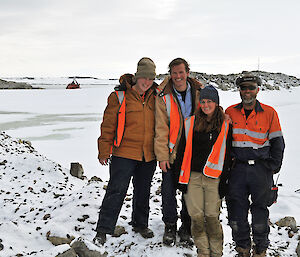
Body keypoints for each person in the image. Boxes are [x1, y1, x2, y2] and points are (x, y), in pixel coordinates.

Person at [94, 57, 158, 245]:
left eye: (151, 78)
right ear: (137, 77)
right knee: (116, 190)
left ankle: (140, 224)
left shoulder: (157, 96)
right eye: (144, 78)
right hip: (123, 153)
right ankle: (103, 229)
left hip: (148, 154)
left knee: (143, 190)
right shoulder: (119, 96)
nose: (147, 82)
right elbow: (108, 125)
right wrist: (104, 150)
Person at [225, 73, 285, 257]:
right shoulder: (230, 112)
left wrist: (273, 166)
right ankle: (242, 248)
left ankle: (260, 249)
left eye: (251, 88)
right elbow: (224, 143)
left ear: (258, 90)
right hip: (237, 170)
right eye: (244, 88)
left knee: (260, 212)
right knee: (236, 211)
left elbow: (278, 143)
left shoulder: (269, 112)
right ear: (239, 91)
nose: (247, 92)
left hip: (261, 170)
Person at [154, 57, 203, 246]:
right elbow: (160, 128)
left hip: (193, 150)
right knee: (168, 190)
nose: (178, 76)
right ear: (170, 74)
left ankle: (186, 227)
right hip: (172, 151)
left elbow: (212, 111)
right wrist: (162, 156)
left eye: (181, 72)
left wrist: (226, 117)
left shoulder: (199, 92)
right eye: (174, 73)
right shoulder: (164, 97)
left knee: (189, 191)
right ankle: (170, 225)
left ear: (187, 73)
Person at [178, 85, 232, 257]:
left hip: (214, 178)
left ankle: (216, 253)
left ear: (216, 103)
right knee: (196, 218)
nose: (206, 105)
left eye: (210, 101)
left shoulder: (225, 124)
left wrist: (225, 181)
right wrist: (180, 180)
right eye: (203, 101)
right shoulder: (190, 123)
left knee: (211, 218)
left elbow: (228, 154)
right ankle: (202, 252)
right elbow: (181, 152)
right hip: (192, 177)